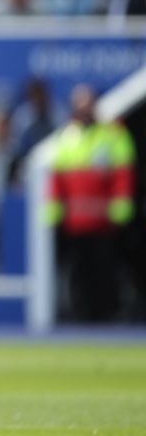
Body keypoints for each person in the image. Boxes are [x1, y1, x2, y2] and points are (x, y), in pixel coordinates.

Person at [46, 84, 135, 322]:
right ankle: (83, 315)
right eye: (79, 104)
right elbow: (57, 179)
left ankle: (107, 313)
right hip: (75, 221)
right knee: (80, 271)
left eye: (87, 103)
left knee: (104, 269)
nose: (84, 109)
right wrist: (54, 214)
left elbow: (122, 175)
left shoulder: (113, 135)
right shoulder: (67, 137)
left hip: (103, 219)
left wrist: (120, 209)